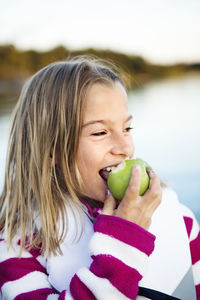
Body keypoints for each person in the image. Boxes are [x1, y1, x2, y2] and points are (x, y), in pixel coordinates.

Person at [0, 57, 199, 300]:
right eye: (100, 132)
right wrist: (124, 242)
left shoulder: (180, 218)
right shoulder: (17, 249)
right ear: (51, 149)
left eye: (127, 129)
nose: (125, 147)